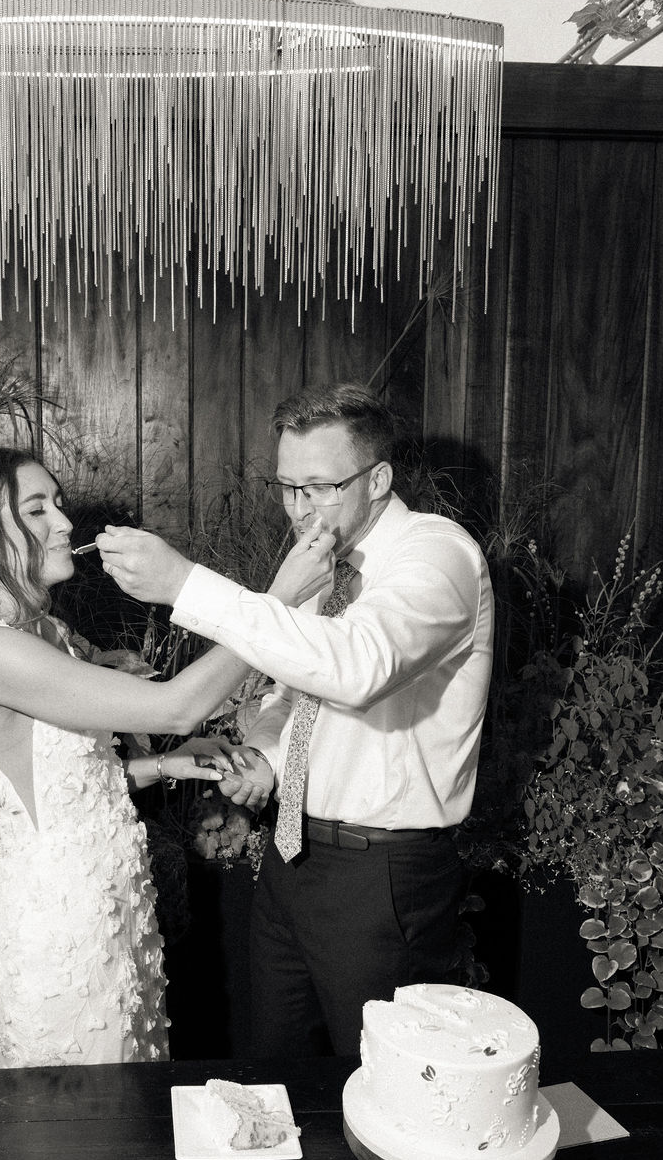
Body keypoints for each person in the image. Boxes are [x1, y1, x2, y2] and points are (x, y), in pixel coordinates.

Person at [0, 445, 330, 1069]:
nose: (65, 523)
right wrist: (276, 603)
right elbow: (176, 706)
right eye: (36, 509)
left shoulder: (47, 634)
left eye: (59, 504)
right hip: (61, 925)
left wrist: (166, 764)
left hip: (114, 906)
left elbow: (71, 781)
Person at [98, 385, 495, 1058]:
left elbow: (356, 667)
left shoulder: (437, 556)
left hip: (382, 875)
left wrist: (185, 584)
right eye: (286, 487)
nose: (298, 507)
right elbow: (294, 694)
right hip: (290, 856)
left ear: (378, 479)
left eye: (319, 486)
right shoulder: (322, 559)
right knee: (273, 1075)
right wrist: (263, 758)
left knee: (382, 1088)